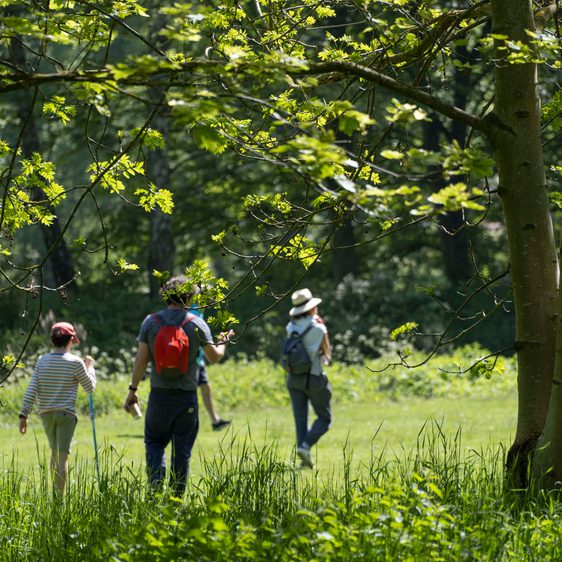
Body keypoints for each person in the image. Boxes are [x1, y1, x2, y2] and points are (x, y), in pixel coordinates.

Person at [124, 275, 233, 497]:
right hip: (186, 397)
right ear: (190, 296)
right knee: (181, 452)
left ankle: (155, 492)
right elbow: (213, 358)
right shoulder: (196, 323)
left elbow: (141, 360)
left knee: (154, 443)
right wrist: (223, 343)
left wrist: (132, 390)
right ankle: (175, 502)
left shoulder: (150, 322)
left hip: (159, 395)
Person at [19, 322, 96, 497]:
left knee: (54, 452)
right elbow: (89, 388)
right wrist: (90, 367)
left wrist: (24, 413)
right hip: (66, 414)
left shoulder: (42, 361)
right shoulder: (75, 362)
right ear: (70, 340)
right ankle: (59, 501)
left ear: (53, 340)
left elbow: (32, 388)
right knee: (62, 457)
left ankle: (54, 495)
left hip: (46, 414)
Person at [285, 288, 332, 469]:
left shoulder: (290, 327)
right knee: (324, 418)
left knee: (300, 419)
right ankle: (305, 446)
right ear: (311, 308)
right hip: (314, 378)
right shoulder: (319, 327)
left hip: (293, 378)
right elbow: (327, 352)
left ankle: (304, 460)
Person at [188, 290, 231, 431]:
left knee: (206, 388)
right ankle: (185, 424)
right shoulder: (193, 310)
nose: (210, 301)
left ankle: (215, 421)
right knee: (188, 394)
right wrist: (223, 342)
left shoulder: (198, 309)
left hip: (199, 359)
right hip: (191, 361)